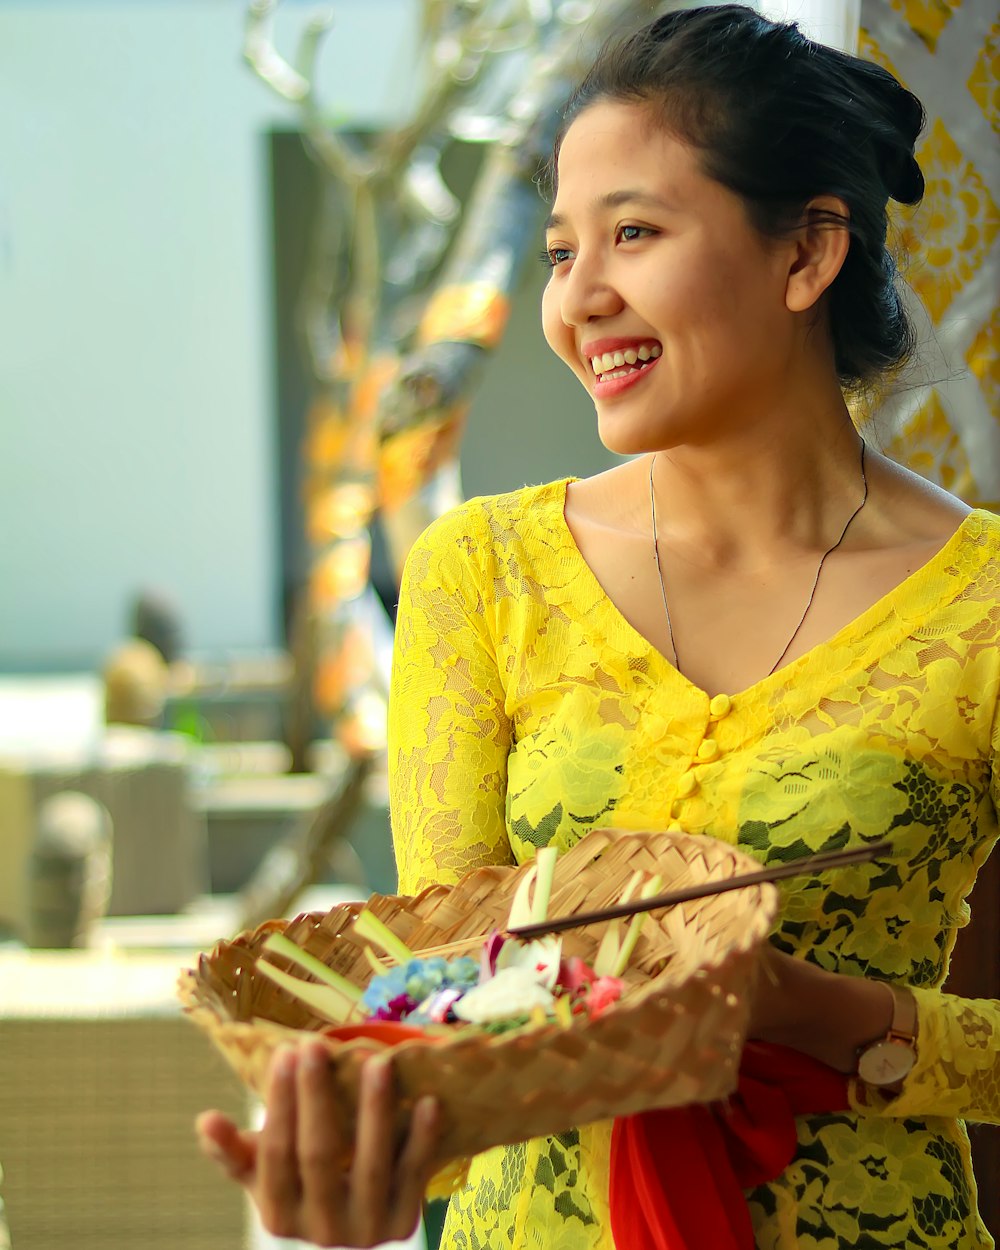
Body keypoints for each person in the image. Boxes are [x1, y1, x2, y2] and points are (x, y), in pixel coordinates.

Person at [196, 6, 1000, 1247]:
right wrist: (366, 1164)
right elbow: (448, 1013)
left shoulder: (981, 597)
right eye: (559, 253)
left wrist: (803, 1009)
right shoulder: (481, 572)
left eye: (633, 231)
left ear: (807, 253)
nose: (580, 298)